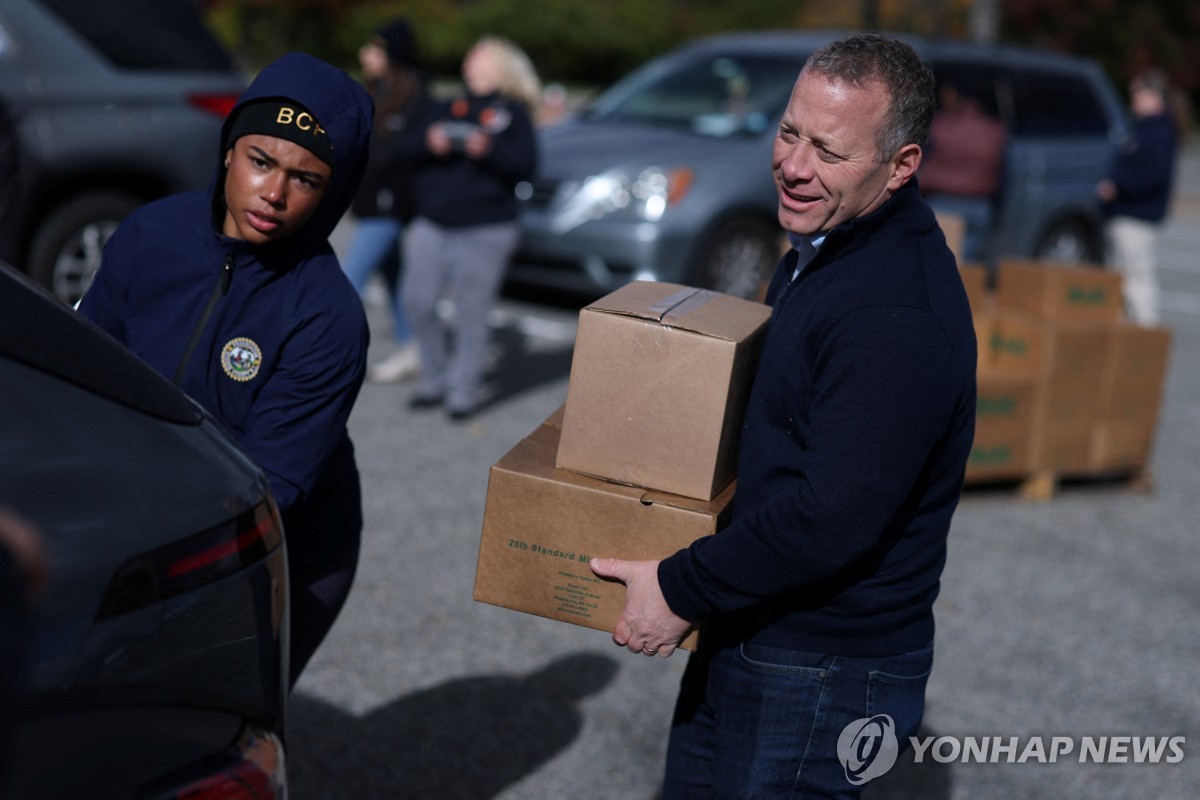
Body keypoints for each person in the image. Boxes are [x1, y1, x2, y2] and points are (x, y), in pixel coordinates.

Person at [589, 34, 977, 798]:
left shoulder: (892, 311)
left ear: (901, 165)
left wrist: (679, 586)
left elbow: (830, 516)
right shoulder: (829, 243)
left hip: (820, 670)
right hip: (758, 629)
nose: (795, 166)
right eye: (789, 132)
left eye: (829, 151)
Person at [77, 52, 374, 688]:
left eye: (306, 179)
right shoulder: (150, 234)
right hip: (141, 510)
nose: (274, 193)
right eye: (261, 161)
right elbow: (85, 376)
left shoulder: (328, 317)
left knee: (216, 723)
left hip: (276, 543)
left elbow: (267, 487)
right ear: (228, 151)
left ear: (334, 192)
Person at [399, 35, 540, 421]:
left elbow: (527, 164)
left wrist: (489, 150)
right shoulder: (446, 105)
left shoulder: (514, 111)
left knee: (470, 313)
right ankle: (433, 379)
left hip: (486, 228)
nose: (469, 62)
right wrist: (429, 142)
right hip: (434, 222)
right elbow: (406, 147)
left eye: (477, 56)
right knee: (418, 302)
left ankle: (461, 393)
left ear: (498, 64)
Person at [344, 18, 427, 383]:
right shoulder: (375, 90)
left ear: (392, 54)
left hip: (390, 205)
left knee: (349, 278)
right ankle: (414, 347)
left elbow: (396, 153)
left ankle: (321, 352)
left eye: (375, 48)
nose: (366, 54)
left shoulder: (415, 96)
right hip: (371, 202)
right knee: (394, 276)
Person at [1096, 68, 1179, 326]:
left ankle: (1146, 334)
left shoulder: (1159, 131)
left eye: (1139, 93)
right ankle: (1123, 339)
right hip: (1124, 212)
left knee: (1137, 279)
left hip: (1137, 214)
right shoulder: (1143, 129)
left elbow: (1152, 173)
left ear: (1154, 96)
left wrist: (1118, 186)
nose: (1134, 99)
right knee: (1119, 279)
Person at [918, 82, 1007, 263]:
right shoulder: (995, 130)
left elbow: (922, 161)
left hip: (943, 202)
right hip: (980, 205)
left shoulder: (941, 126)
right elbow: (1004, 174)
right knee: (967, 266)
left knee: (936, 263)